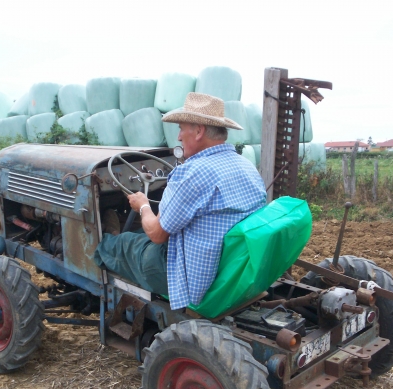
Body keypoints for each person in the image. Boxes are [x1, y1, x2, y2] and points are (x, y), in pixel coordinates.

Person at [94, 92, 266, 311]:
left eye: (181, 128)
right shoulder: (247, 167)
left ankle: (103, 248)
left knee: (117, 244)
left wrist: (143, 206)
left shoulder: (191, 173)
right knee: (137, 236)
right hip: (228, 266)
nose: (178, 137)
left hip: (186, 277)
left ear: (199, 131)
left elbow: (156, 235)